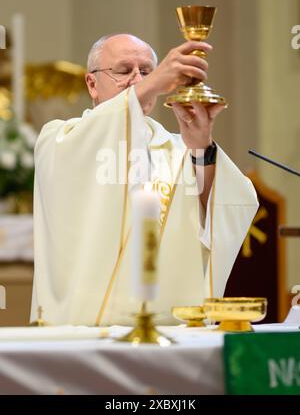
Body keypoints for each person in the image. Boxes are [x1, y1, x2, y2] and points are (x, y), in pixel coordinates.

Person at [31, 33, 258, 326]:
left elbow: (223, 212)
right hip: (85, 326)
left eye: (147, 71)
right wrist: (155, 81)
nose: (138, 80)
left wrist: (201, 147)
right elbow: (88, 146)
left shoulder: (179, 148)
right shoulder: (60, 139)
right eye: (124, 71)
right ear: (91, 83)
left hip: (167, 325)